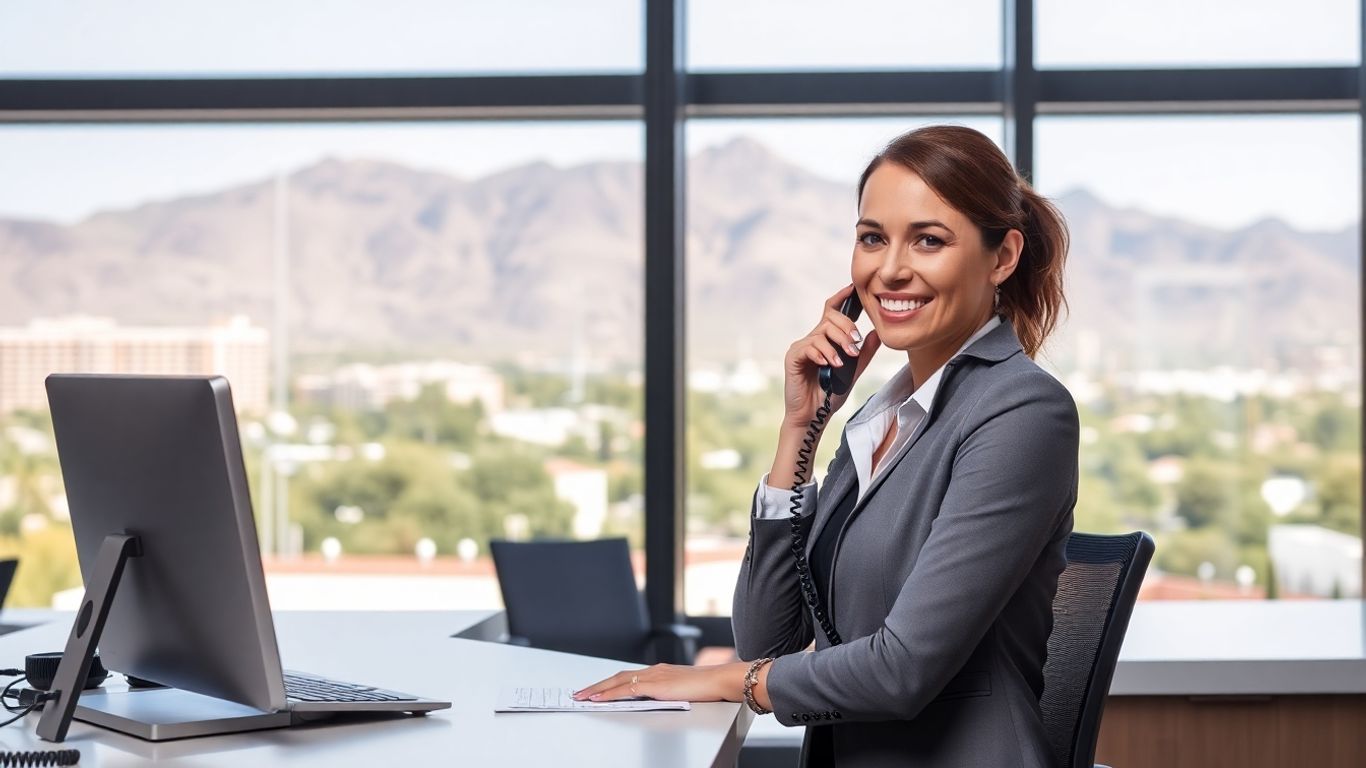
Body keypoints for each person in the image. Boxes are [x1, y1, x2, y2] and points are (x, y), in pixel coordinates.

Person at [574, 124, 1077, 768]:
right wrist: (799, 430)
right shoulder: (877, 420)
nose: (891, 269)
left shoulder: (1022, 411)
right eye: (872, 238)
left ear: (1002, 257)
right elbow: (769, 637)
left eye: (929, 240)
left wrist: (730, 681)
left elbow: (902, 669)